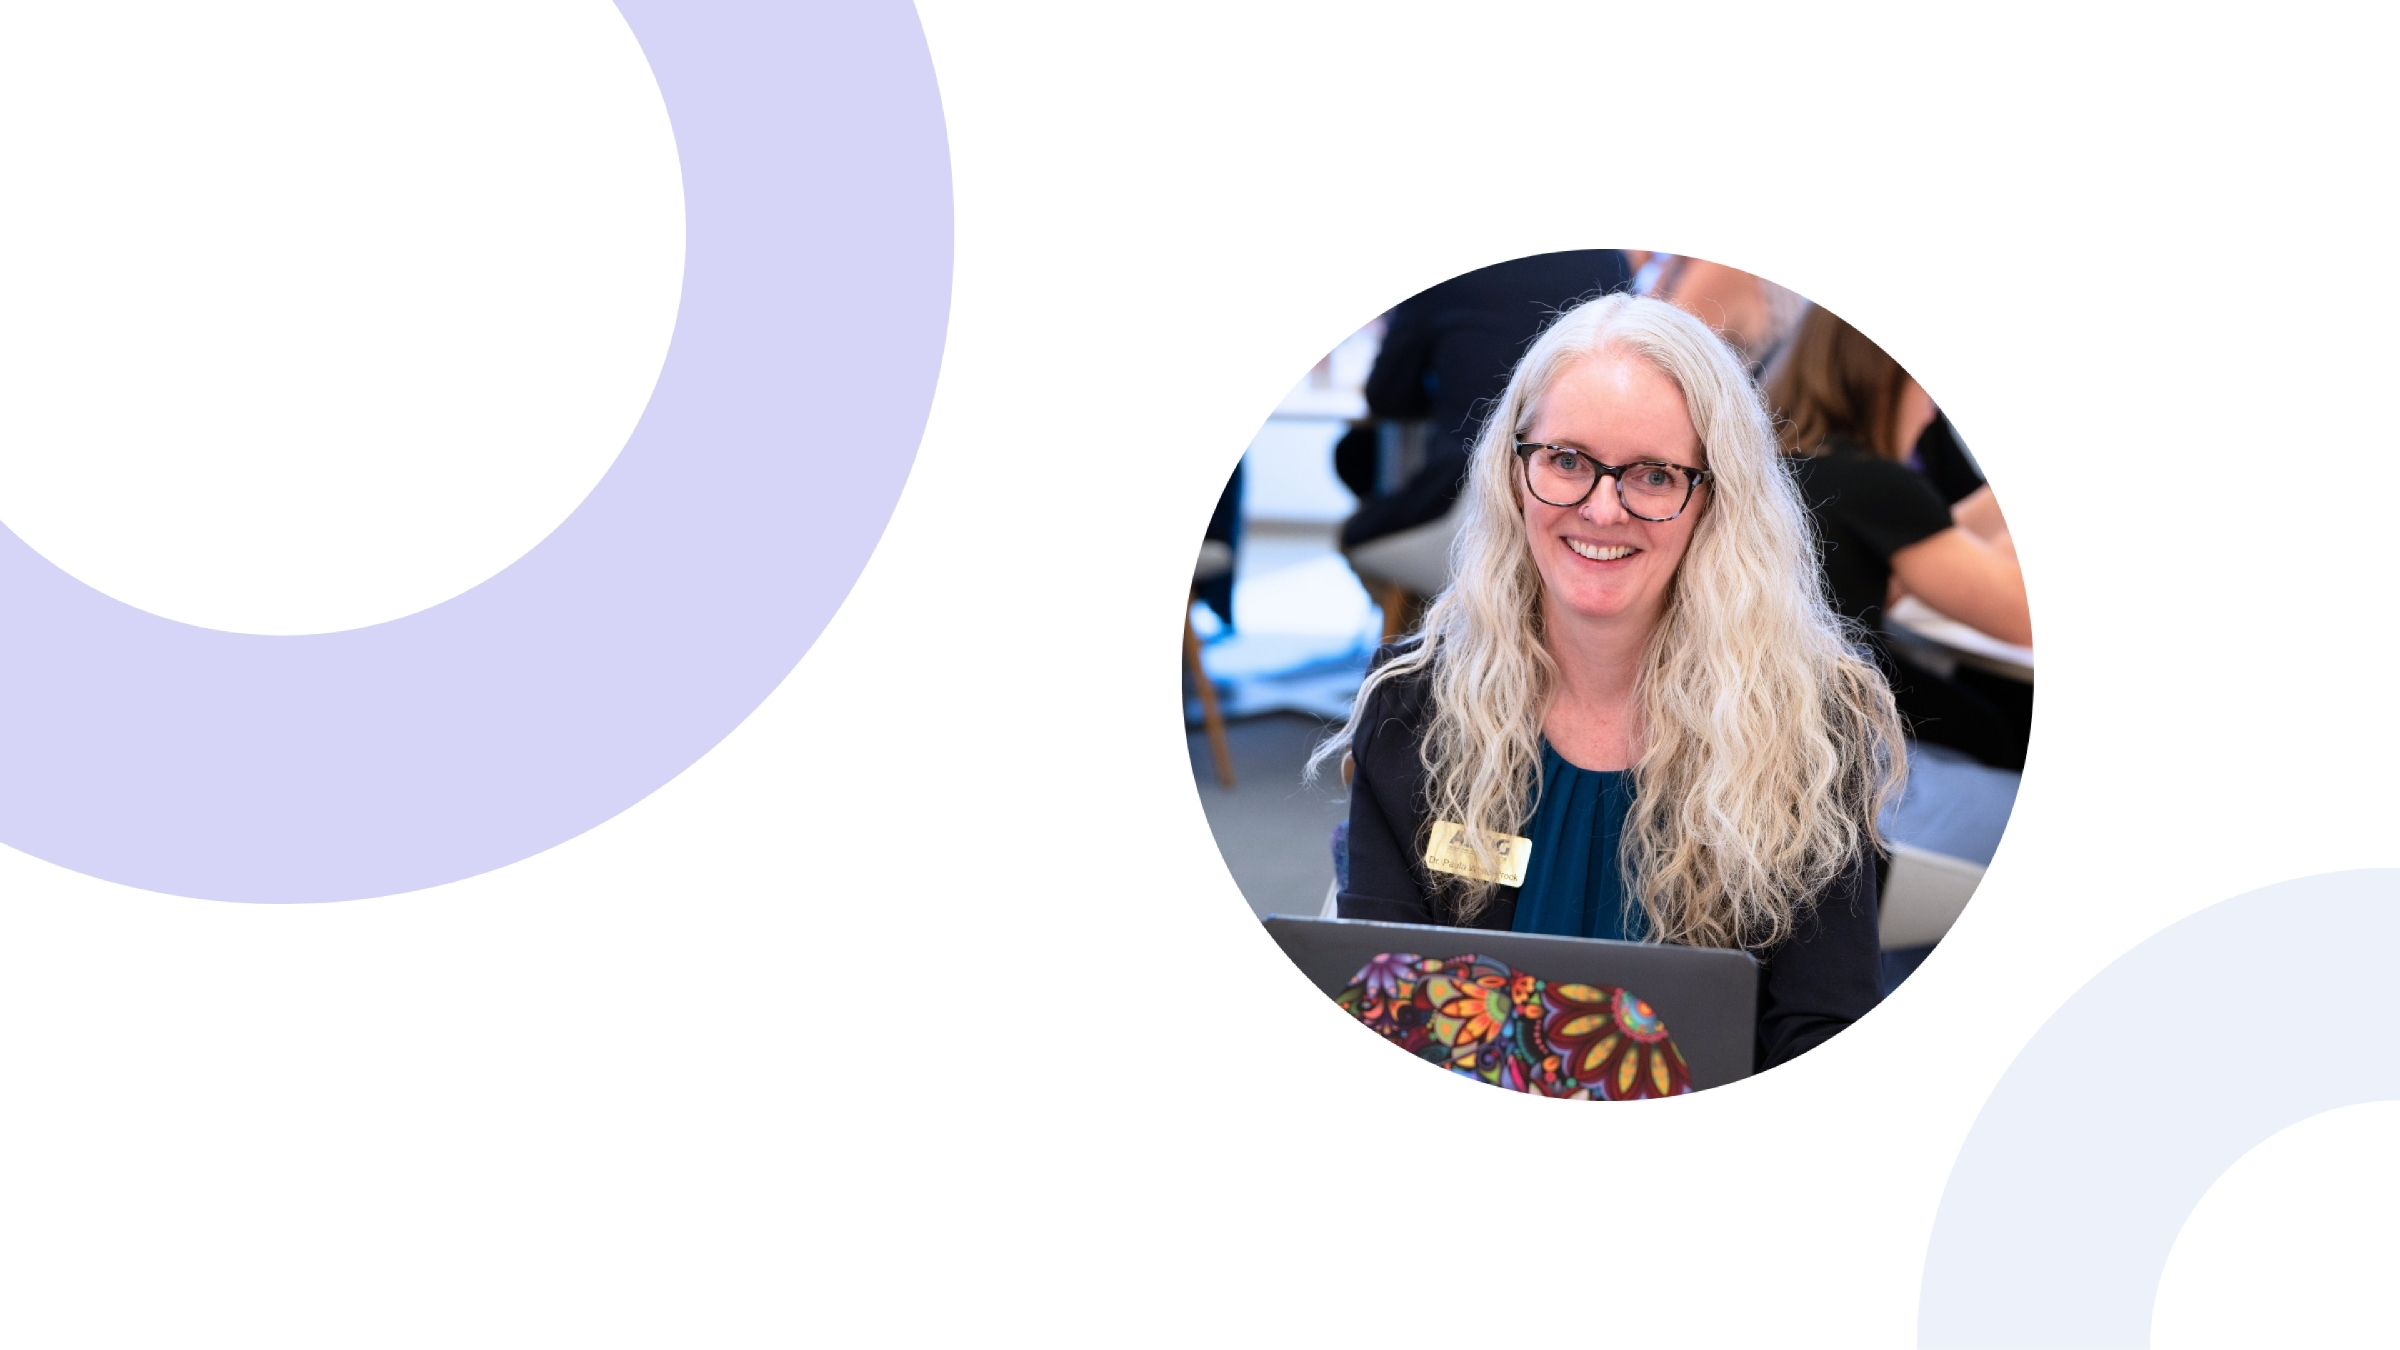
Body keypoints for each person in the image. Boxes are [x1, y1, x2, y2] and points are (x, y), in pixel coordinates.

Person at [1314, 293, 1905, 1071]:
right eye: (1566, 460)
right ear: (1513, 471)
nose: (1601, 509)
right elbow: (1382, 1007)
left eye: (1654, 476)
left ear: (1715, 500)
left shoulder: (1807, 726)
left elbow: (1820, 1036)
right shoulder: (1416, 701)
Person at [1762, 306, 2032, 769]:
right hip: (1831, 745)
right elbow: (2025, 619)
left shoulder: (1783, 462)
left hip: (1776, 724)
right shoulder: (1872, 483)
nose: (1930, 415)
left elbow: (1912, 548)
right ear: (1886, 380)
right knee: (1995, 728)